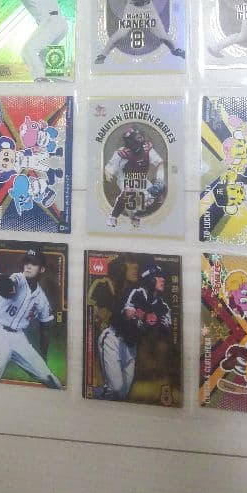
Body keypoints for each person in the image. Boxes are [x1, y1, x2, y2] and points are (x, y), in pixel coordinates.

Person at [0, 248, 63, 387]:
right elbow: (10, 285)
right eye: (27, 262)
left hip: (19, 338)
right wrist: (5, 284)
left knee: (52, 380)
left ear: (42, 269)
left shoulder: (42, 299)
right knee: (4, 350)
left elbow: (45, 327)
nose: (28, 266)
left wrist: (43, 355)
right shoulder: (18, 278)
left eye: (34, 263)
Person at [95, 262, 171, 400]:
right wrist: (146, 316)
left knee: (122, 394)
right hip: (114, 340)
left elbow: (166, 330)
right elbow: (128, 315)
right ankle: (92, 395)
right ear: (149, 279)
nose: (163, 279)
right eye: (158, 276)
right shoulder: (136, 292)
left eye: (163, 277)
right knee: (115, 388)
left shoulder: (163, 306)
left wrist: (154, 321)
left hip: (131, 347)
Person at [0, 0, 68, 81]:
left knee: (28, 51)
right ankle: (61, 81)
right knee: (45, 61)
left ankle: (41, 82)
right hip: (62, 24)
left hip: (50, 24)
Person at [104, 126, 165, 230]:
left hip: (142, 179)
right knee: (129, 193)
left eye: (141, 136)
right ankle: (114, 216)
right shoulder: (121, 153)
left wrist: (159, 179)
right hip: (125, 178)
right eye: (137, 137)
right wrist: (108, 174)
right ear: (130, 140)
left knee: (157, 193)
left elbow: (160, 163)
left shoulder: (147, 149)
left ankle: (139, 212)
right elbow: (108, 169)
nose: (141, 139)